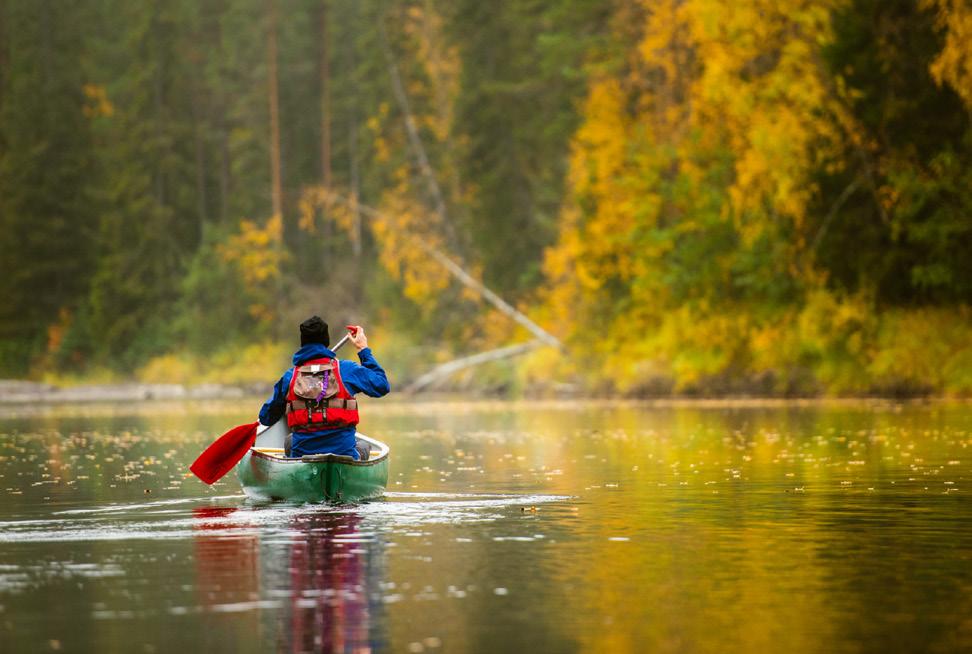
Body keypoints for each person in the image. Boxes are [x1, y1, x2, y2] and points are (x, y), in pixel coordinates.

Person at [259, 316, 390, 459]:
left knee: (289, 441)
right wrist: (363, 349)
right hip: (344, 454)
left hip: (302, 455)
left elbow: (266, 418)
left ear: (303, 343)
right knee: (363, 446)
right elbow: (381, 385)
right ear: (326, 341)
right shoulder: (345, 369)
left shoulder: (290, 377)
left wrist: (287, 404)